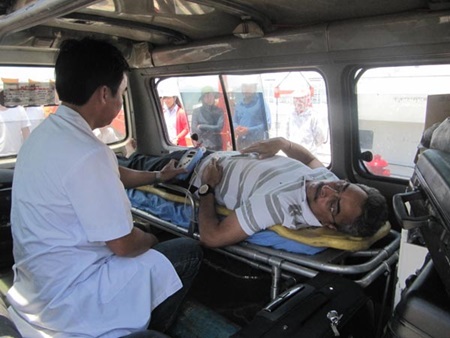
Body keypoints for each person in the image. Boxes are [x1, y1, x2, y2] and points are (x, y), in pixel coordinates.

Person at [7, 38, 203, 337]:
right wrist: (151, 238)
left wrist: (156, 177)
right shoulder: (87, 152)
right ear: (103, 94)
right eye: (122, 93)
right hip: (72, 298)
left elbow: (114, 172)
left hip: (40, 286)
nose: (120, 101)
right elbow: (124, 245)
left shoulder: (44, 136)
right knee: (187, 250)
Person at [119, 137, 388, 249]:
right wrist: (282, 143)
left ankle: (102, 165)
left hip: (191, 171)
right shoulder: (327, 180)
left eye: (334, 205)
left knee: (129, 168)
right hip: (214, 154)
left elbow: (212, 237)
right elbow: (308, 158)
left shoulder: (277, 206)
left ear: (329, 224)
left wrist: (207, 187)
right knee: (138, 159)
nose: (328, 190)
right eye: (341, 186)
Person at [287, 88, 327, 156]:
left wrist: (311, 148)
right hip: (293, 154)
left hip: (308, 155)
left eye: (301, 98)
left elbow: (320, 137)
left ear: (307, 100)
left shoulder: (314, 116)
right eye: (296, 98)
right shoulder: (290, 115)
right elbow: (287, 134)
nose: (298, 101)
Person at [233, 83, 271, 149]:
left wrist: (249, 130)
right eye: (244, 86)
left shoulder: (262, 104)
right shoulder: (239, 104)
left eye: (250, 86)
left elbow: (268, 125)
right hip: (241, 144)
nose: (247, 89)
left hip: (257, 144)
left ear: (255, 88)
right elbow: (235, 121)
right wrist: (236, 128)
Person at [191, 86, 225, 150]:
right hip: (202, 146)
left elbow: (219, 128)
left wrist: (201, 126)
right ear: (203, 98)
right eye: (206, 96)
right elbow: (194, 130)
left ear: (214, 97)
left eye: (211, 95)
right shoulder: (196, 112)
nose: (209, 98)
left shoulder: (219, 111)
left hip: (217, 146)